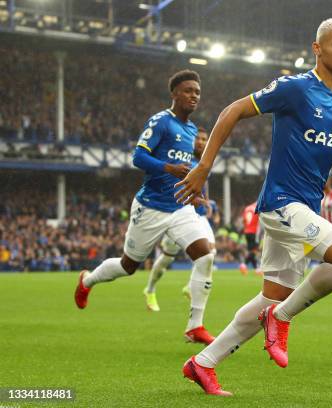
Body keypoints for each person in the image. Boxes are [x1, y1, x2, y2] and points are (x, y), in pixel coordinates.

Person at [174, 18, 332, 396]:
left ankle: (203, 363)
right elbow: (232, 110)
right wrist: (204, 165)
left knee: (270, 295)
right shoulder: (295, 88)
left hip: (306, 206)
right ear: (317, 48)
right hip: (280, 203)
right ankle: (282, 317)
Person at [74, 70, 216, 344]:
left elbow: (187, 170)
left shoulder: (190, 130)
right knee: (128, 266)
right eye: (188, 91)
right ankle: (87, 281)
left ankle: (194, 327)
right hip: (150, 207)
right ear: (174, 94)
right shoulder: (162, 122)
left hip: (179, 207)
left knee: (205, 254)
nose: (193, 96)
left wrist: (193, 192)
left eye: (197, 92)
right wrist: (168, 167)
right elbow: (137, 157)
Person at [142, 128, 216, 342]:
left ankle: (191, 294)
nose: (201, 142)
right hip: (178, 216)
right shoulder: (181, 162)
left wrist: (206, 203)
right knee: (166, 258)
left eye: (205, 139)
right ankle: (150, 289)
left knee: (209, 254)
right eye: (198, 139)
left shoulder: (204, 164)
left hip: (199, 217)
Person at [239, 201, 261, 275]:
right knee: (254, 251)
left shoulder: (247, 208)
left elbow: (244, 221)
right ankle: (244, 264)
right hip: (254, 232)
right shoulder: (258, 208)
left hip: (247, 232)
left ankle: (257, 269)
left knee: (251, 251)